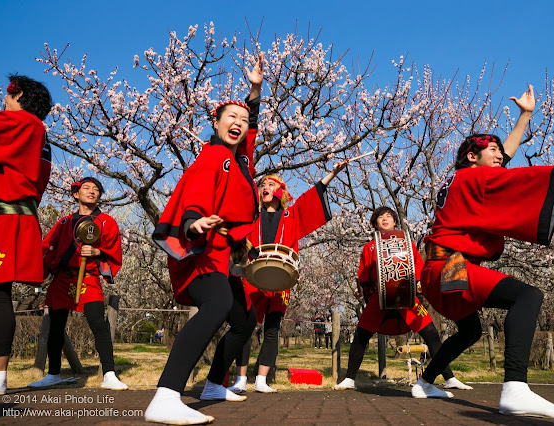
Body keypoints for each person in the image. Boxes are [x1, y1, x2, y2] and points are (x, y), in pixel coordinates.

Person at [419, 127, 554, 418]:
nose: (500, 155)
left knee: (471, 331)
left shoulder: (459, 178)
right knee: (527, 296)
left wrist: (524, 116)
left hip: (441, 268)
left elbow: (503, 161)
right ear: (472, 156)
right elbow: (523, 177)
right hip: (450, 268)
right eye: (493, 150)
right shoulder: (477, 175)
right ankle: (515, 388)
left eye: (500, 151)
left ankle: (424, 382)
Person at [144, 54, 264, 425]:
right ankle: (165, 396)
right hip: (205, 247)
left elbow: (249, 134)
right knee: (216, 304)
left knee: (243, 322)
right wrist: (193, 220)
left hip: (225, 252)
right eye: (232, 118)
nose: (240, 125)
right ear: (215, 122)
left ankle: (213, 384)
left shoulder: (238, 158)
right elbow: (196, 185)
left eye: (244, 121)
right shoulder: (214, 155)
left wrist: (255, 91)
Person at [223, 158, 348, 394]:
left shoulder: (293, 214)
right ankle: (240, 379)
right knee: (245, 326)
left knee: (272, 328)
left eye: (270, 184)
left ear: (280, 191)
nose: (265, 187)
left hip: (281, 280)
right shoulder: (251, 215)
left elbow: (313, 195)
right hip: (253, 277)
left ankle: (261, 379)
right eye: (262, 184)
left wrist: (332, 174)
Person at [333, 207, 471, 397]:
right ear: (375, 223)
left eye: (388, 216)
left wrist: (421, 283)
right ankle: (349, 379)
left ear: (394, 221)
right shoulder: (369, 247)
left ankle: (449, 377)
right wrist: (361, 290)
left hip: (407, 296)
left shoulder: (408, 245)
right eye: (380, 217)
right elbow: (363, 276)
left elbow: (418, 268)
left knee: (431, 332)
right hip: (378, 296)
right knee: (361, 335)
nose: (384, 219)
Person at [29, 177, 126, 390]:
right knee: (56, 326)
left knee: (98, 324)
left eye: (96, 189)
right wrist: (44, 264)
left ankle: (109, 374)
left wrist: (97, 251)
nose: (91, 192)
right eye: (86, 188)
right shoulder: (63, 222)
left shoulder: (106, 222)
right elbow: (47, 246)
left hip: (89, 280)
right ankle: (53, 373)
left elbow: (115, 251)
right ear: (76, 194)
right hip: (63, 279)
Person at [0, 75, 52, 395]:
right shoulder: (39, 133)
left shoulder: (19, 122)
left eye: (10, 91)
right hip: (16, 216)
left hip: (2, 219)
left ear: (21, 96)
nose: (5, 96)